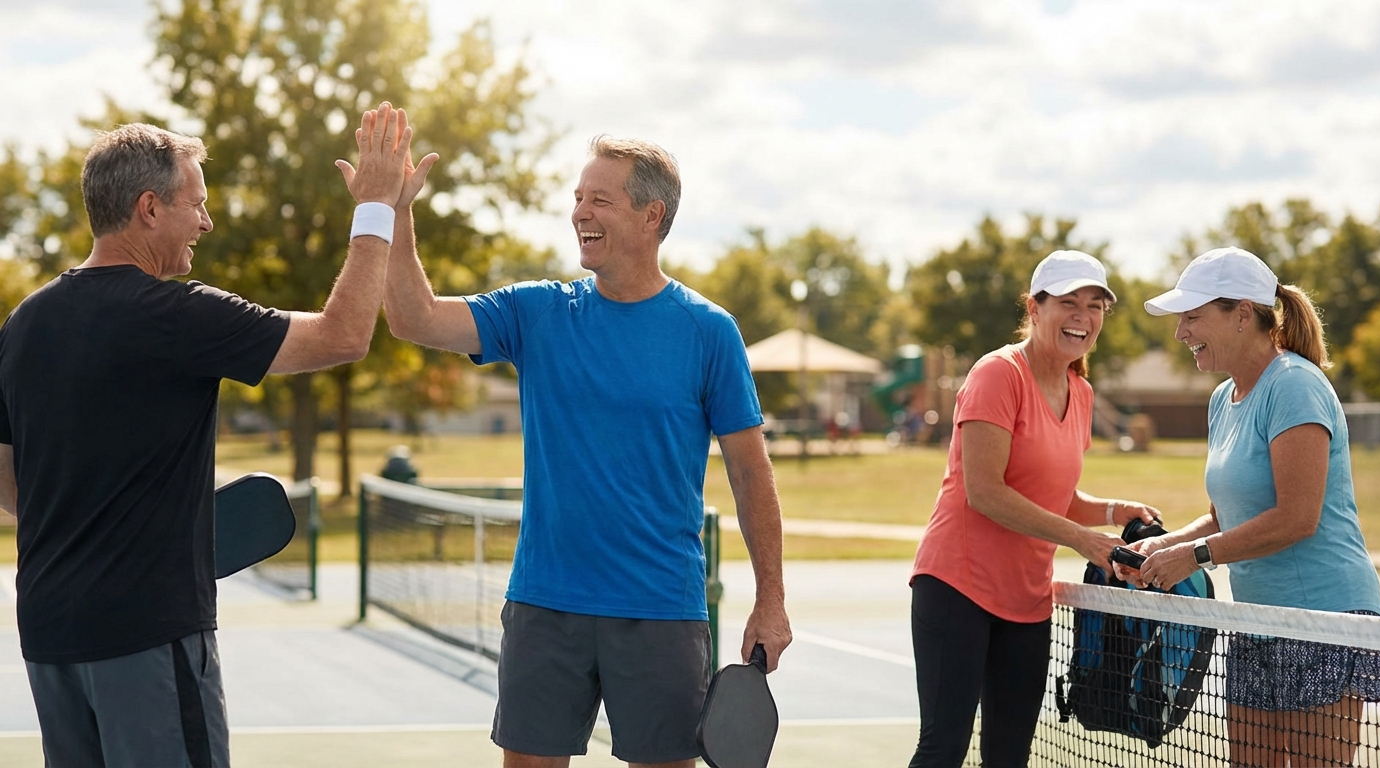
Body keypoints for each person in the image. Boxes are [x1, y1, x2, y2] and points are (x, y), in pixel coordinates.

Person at [0, 104, 436, 766]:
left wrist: (94, 526)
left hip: (49, 634)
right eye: (196, 204)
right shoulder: (175, 316)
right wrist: (377, 207)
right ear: (149, 208)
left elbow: (7, 479)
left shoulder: (25, 323)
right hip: (147, 635)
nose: (206, 222)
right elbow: (344, 335)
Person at [381, 135, 791, 768]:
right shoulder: (536, 312)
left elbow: (750, 472)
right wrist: (396, 211)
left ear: (652, 216)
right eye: (577, 198)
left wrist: (771, 599)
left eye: (600, 199)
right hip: (545, 602)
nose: (580, 213)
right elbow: (414, 318)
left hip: (660, 607)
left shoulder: (709, 331)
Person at [1127, 246, 1380, 767]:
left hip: (1324, 620)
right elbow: (1222, 517)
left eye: (1192, 317)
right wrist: (1163, 547)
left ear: (1242, 315)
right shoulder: (1221, 399)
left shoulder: (1295, 385)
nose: (1180, 332)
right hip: (1256, 622)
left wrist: (1194, 557)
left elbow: (1297, 518)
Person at [908, 250, 1161, 768]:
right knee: (943, 749)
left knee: (1009, 757)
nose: (1083, 316)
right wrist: (1083, 540)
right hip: (957, 587)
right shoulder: (997, 374)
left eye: (1094, 306)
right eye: (1069, 302)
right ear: (1034, 307)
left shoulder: (1081, 392)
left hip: (1026, 602)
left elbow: (1054, 495)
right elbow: (985, 491)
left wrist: (1115, 511)